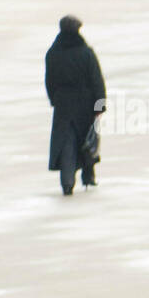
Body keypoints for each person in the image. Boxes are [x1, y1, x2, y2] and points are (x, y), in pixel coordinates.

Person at [45, 15, 106, 196]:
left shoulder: (53, 53)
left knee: (66, 142)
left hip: (63, 105)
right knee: (87, 141)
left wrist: (54, 100)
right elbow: (97, 81)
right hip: (85, 104)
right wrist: (99, 106)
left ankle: (67, 182)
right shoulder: (86, 53)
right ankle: (88, 178)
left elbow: (49, 82)